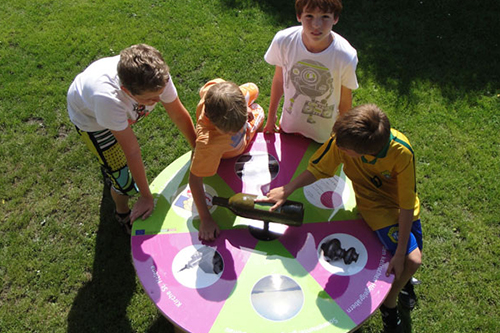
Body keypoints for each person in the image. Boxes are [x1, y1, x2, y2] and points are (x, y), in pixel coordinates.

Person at [259, 104, 422, 333]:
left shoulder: (401, 152)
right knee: (413, 260)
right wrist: (288, 189)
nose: (340, 149)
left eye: (346, 151)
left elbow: (406, 205)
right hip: (374, 207)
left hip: (403, 208)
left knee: (405, 260)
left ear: (366, 153)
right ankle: (390, 303)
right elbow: (318, 168)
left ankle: (400, 287)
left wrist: (399, 251)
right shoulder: (344, 141)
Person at [67, 44, 196, 234]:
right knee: (123, 180)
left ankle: (109, 171)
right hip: (93, 123)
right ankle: (122, 213)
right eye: (150, 99)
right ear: (126, 91)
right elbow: (132, 151)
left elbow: (177, 113)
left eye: (160, 93)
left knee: (117, 164)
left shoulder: (157, 77)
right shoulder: (108, 100)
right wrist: (145, 196)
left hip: (114, 113)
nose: (159, 100)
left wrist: (198, 148)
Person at [263, 0, 359, 143]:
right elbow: (279, 80)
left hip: (324, 133)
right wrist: (271, 117)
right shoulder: (284, 41)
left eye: (325, 17)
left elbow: (345, 100)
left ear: (336, 18)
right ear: (299, 16)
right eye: (309, 16)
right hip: (289, 125)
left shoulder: (345, 56)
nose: (316, 25)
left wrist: (343, 135)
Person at [189, 79, 264, 242]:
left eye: (240, 125)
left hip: (234, 99)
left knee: (254, 89)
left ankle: (247, 115)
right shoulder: (208, 143)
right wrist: (205, 219)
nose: (235, 132)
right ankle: (250, 123)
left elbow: (210, 88)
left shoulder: (218, 91)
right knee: (260, 111)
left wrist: (243, 117)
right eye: (230, 131)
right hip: (232, 151)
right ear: (209, 117)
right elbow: (194, 181)